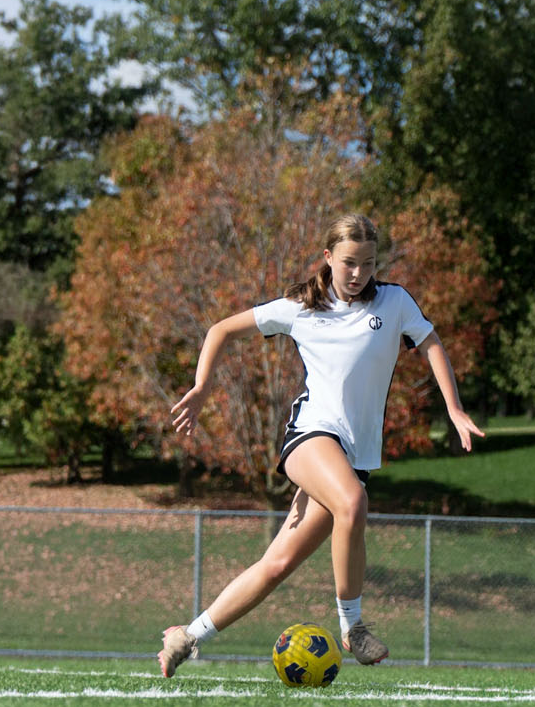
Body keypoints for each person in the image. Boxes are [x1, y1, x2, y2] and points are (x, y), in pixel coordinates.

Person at [158, 213, 485, 678]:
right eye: (349, 263)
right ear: (328, 257)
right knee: (352, 500)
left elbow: (431, 343)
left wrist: (453, 409)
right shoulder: (300, 306)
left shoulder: (393, 302)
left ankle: (187, 636)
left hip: (351, 455)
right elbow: (220, 331)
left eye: (369, 263)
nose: (359, 273)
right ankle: (351, 627)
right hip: (310, 435)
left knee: (277, 565)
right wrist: (203, 385)